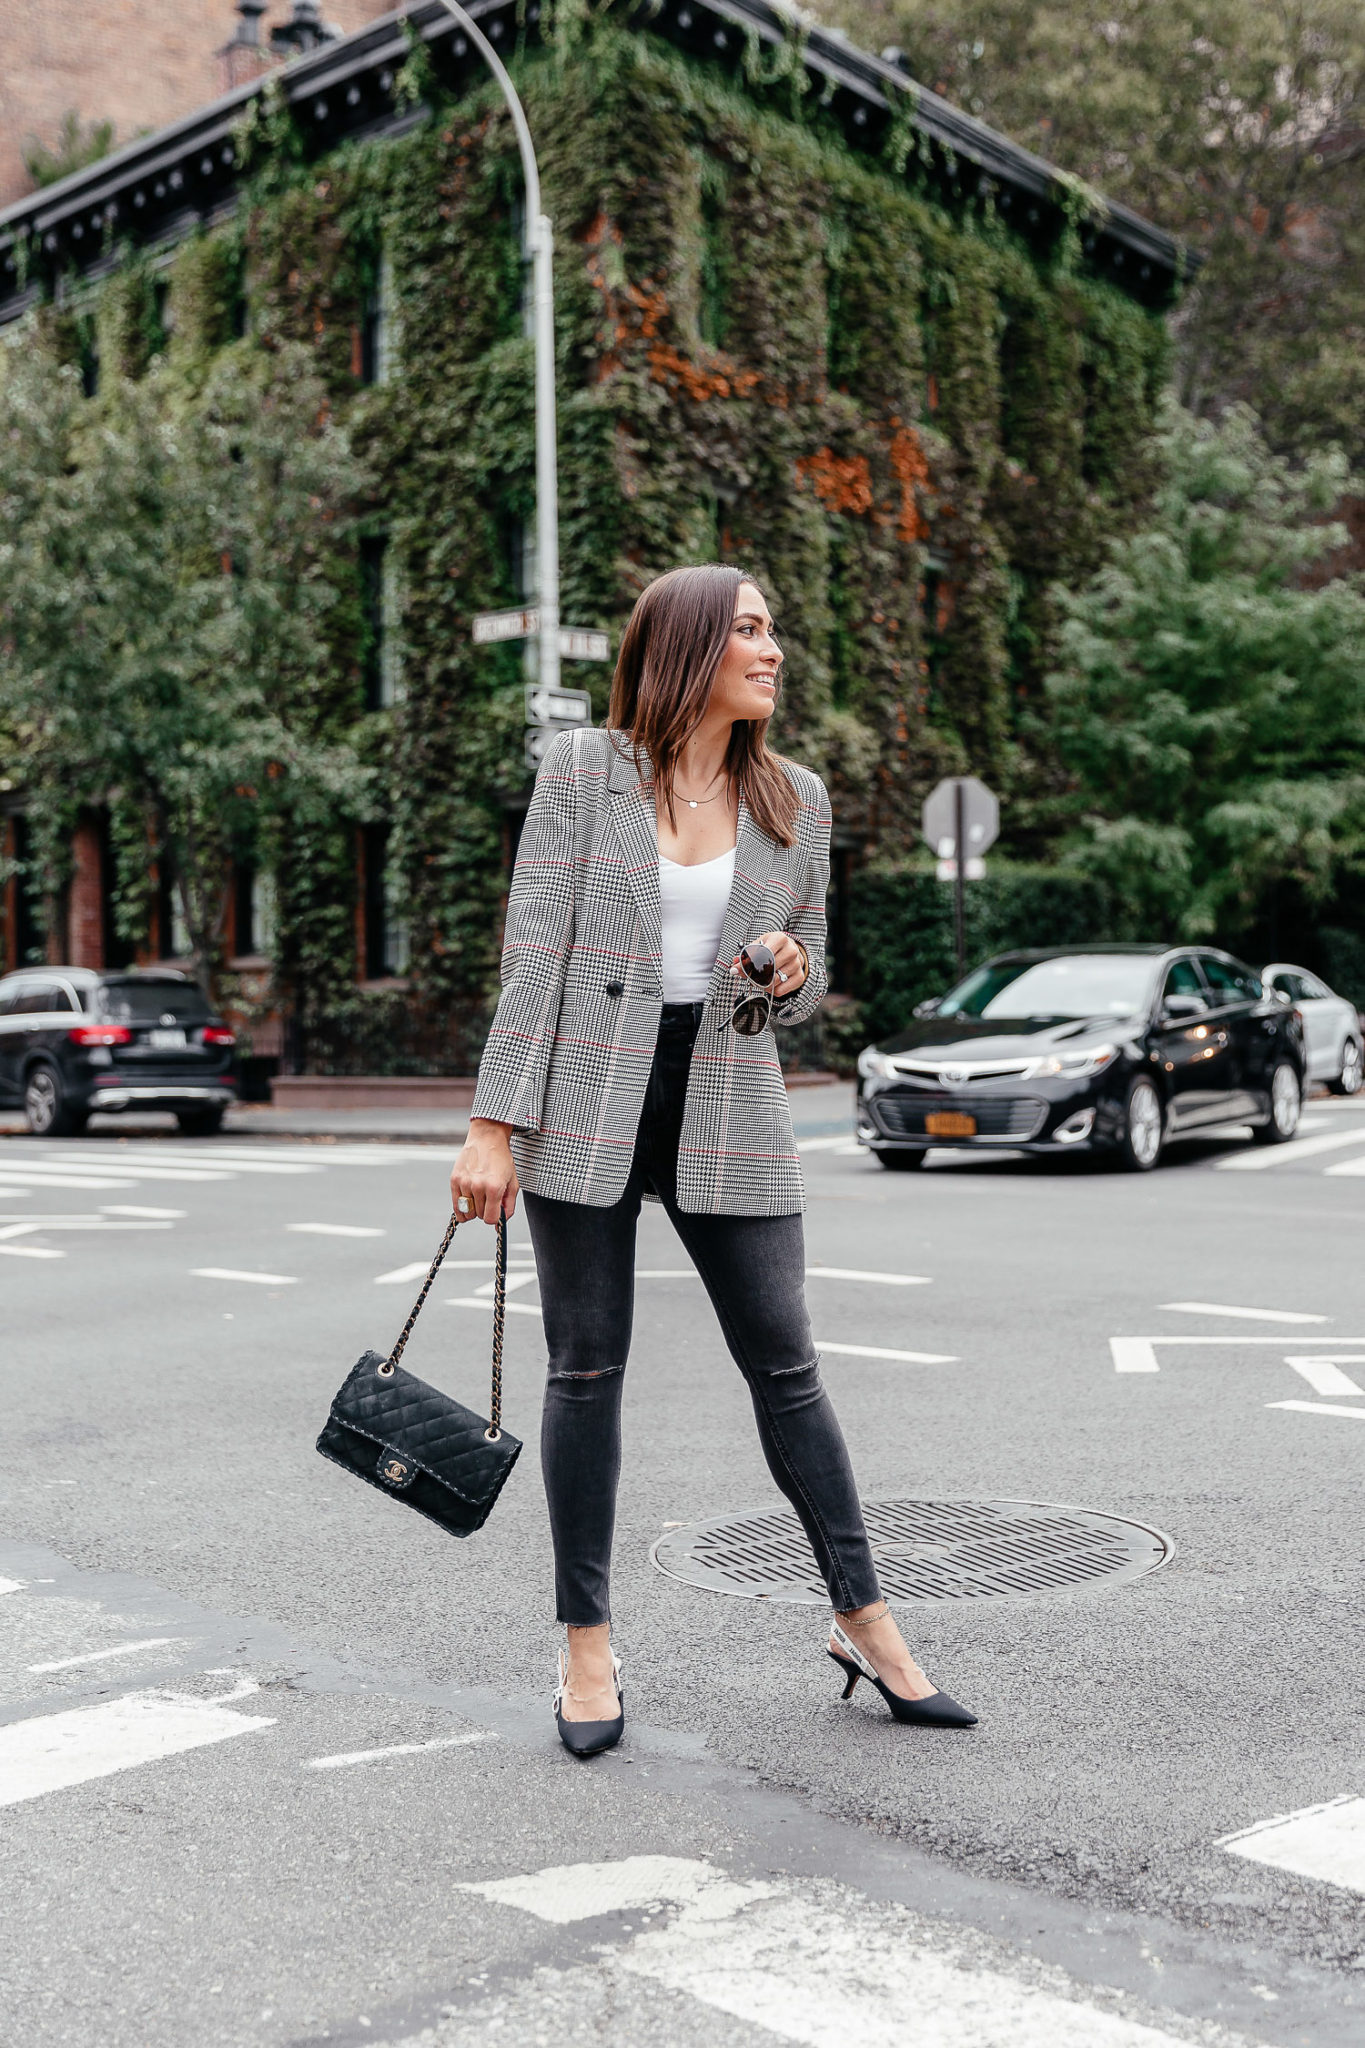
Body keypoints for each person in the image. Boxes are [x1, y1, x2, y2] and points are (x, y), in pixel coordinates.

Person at [450, 564, 976, 1756]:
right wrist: (492, 1123)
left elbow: (814, 974)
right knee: (586, 1369)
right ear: (687, 645)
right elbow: (535, 951)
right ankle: (587, 1643)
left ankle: (866, 1619)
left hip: (727, 1096)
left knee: (788, 1366)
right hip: (586, 1094)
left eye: (773, 628)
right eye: (748, 628)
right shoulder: (585, 771)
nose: (772, 648)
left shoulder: (798, 797)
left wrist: (789, 969)